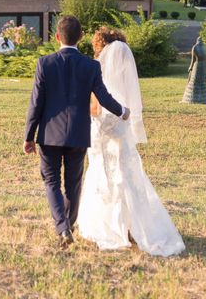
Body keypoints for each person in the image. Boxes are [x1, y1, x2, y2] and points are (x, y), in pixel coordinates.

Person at [24, 16, 130, 248]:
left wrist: (28, 137)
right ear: (81, 37)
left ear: (57, 37)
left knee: (51, 181)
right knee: (73, 183)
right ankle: (68, 226)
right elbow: (103, 97)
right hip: (78, 134)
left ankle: (62, 228)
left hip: (49, 135)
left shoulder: (45, 63)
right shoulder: (91, 66)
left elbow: (36, 103)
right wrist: (122, 111)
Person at [78, 27, 185, 256]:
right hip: (121, 122)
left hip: (101, 126)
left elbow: (95, 106)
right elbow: (125, 104)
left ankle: (106, 225)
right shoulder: (124, 65)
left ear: (101, 49)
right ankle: (131, 227)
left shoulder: (96, 70)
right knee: (127, 175)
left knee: (102, 171)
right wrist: (124, 114)